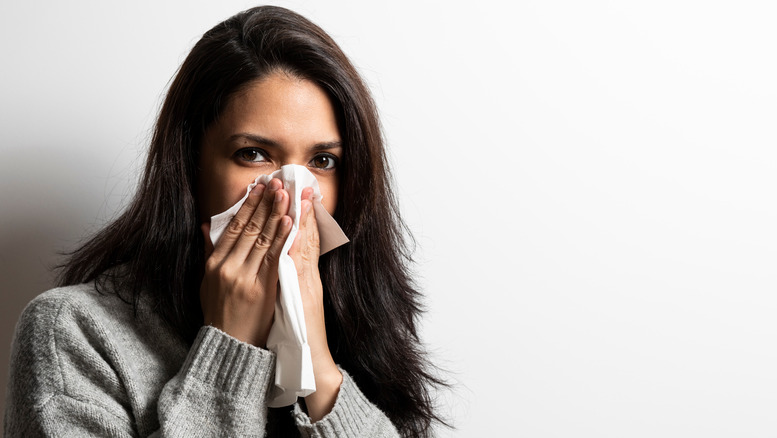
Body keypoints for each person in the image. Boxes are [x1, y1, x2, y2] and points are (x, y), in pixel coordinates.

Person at [4, 6, 446, 437]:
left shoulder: (366, 332)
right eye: (253, 154)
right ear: (190, 167)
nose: (290, 190)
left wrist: (321, 369)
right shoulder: (75, 333)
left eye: (322, 160)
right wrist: (229, 348)